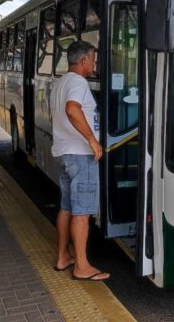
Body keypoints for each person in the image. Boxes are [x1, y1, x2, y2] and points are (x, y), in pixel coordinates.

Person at [50, 40, 109, 281]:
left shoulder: (60, 83)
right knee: (82, 213)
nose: (94, 64)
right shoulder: (78, 82)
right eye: (93, 59)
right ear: (83, 61)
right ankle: (82, 266)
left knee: (67, 208)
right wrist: (92, 140)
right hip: (80, 155)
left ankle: (63, 257)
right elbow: (72, 109)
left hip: (64, 153)